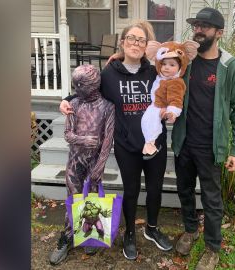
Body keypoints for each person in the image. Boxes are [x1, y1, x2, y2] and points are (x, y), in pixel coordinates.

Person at [59, 21, 173, 260]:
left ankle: (151, 228)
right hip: (127, 145)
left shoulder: (154, 71)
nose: (135, 43)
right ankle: (130, 233)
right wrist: (68, 99)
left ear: (146, 45)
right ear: (123, 42)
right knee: (130, 190)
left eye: (141, 40)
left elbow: (175, 81)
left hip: (155, 143)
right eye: (131, 38)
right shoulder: (110, 73)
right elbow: (90, 91)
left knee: (155, 188)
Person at [172, 8, 235, 270]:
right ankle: (191, 230)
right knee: (183, 191)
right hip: (183, 142)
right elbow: (159, 68)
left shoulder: (230, 67)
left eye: (205, 26)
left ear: (219, 33)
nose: (198, 30)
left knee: (211, 199)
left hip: (210, 147)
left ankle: (212, 248)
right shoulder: (185, 62)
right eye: (196, 25)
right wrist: (119, 56)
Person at [49, 64, 115, 265]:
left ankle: (88, 234)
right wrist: (84, 140)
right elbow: (68, 135)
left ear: (93, 85)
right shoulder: (74, 105)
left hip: (95, 161)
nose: (77, 89)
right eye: (75, 85)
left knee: (92, 197)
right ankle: (68, 236)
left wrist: (100, 165)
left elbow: (108, 139)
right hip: (75, 160)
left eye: (80, 85)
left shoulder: (107, 107)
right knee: (73, 196)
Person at [141, 40, 199, 159]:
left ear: (180, 67)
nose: (166, 68)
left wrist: (172, 112)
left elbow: (176, 99)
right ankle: (150, 143)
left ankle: (152, 144)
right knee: (146, 122)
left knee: (151, 123)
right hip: (155, 104)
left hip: (161, 107)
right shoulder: (161, 77)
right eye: (164, 64)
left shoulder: (175, 82)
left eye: (172, 65)